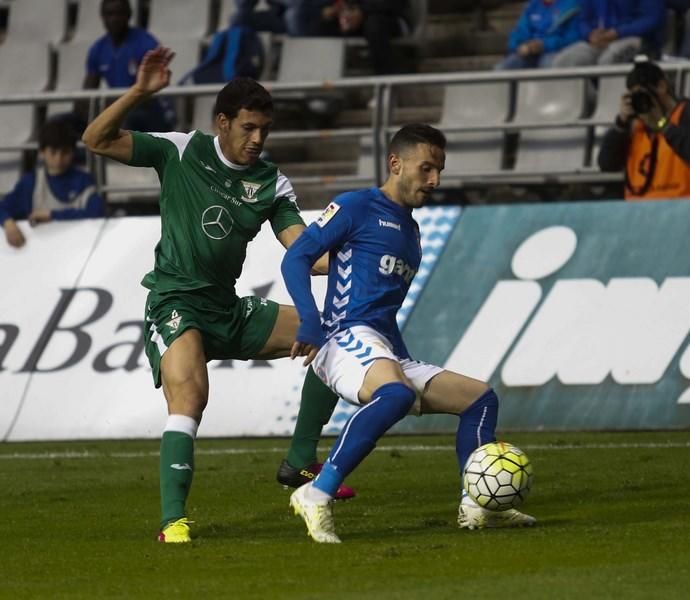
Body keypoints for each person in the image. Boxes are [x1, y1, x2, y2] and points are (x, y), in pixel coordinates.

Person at [80, 46, 356, 544]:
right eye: (248, 128)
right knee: (190, 398)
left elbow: (305, 253)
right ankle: (173, 522)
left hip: (227, 309)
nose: (257, 139)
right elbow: (95, 139)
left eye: (265, 130)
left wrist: (354, 260)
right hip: (175, 303)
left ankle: (298, 462)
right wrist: (140, 92)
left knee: (335, 337)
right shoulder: (181, 151)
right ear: (222, 122)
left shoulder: (271, 182)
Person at [281, 124, 537, 543]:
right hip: (341, 338)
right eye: (426, 168)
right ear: (395, 164)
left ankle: (478, 507)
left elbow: (382, 309)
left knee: (479, 399)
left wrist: (398, 358)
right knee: (396, 395)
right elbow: (297, 258)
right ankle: (317, 492)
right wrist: (309, 320)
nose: (434, 180)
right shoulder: (354, 207)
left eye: (439, 170)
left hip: (380, 346)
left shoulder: (413, 232)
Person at [0, 119, 105, 248]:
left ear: (73, 152)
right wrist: (8, 223)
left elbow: (97, 213)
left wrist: (52, 215)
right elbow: (3, 208)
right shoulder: (30, 183)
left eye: (65, 152)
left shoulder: (84, 180)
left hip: (79, 249)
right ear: (42, 152)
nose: (59, 159)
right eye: (53, 152)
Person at [598, 58, 690, 201]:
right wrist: (621, 123)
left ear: (661, 86)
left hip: (681, 208)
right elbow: (607, 164)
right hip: (638, 212)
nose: (642, 101)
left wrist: (663, 126)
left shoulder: (685, 114)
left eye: (643, 94)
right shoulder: (633, 126)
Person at [81, 0, 174, 132]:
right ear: (102, 17)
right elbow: (86, 95)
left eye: (120, 14)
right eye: (110, 14)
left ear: (129, 15)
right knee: (62, 123)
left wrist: (112, 106)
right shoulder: (97, 49)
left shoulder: (146, 44)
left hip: (150, 111)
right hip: (120, 107)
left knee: (123, 121)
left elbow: (147, 96)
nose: (114, 19)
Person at [551, 0, 665, 67]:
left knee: (608, 59)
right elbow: (582, 20)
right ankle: (590, 101)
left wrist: (617, 32)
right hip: (598, 40)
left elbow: (652, 19)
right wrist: (590, 34)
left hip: (637, 38)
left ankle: (610, 101)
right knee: (563, 61)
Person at [495, 0, 581, 70]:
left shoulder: (572, 5)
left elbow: (572, 38)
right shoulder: (533, 5)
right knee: (503, 68)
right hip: (529, 52)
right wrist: (518, 45)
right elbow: (518, 32)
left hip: (554, 51)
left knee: (547, 67)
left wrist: (543, 45)